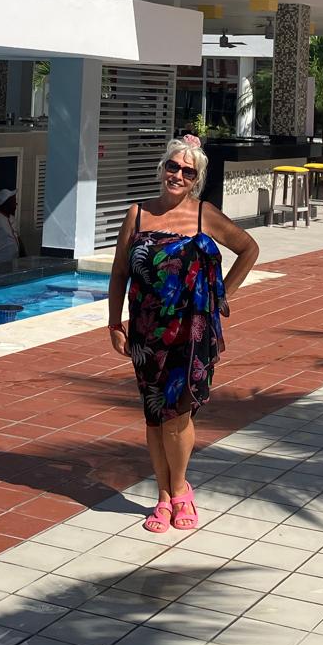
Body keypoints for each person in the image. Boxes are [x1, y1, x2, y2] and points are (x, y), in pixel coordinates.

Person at [107, 134, 260, 533]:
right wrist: (114, 323)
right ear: (162, 168)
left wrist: (222, 296)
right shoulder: (137, 214)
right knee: (154, 416)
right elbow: (119, 273)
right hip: (146, 332)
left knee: (178, 414)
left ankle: (180, 490)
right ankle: (162, 496)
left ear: (196, 179)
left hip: (192, 332)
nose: (178, 175)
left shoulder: (203, 215)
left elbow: (248, 249)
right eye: (173, 167)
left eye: (187, 172)